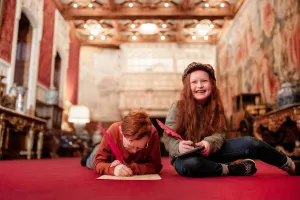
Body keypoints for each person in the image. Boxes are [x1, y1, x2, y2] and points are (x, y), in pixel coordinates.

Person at [163, 62, 300, 177]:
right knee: (191, 165)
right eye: (194, 82)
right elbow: (168, 138)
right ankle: (232, 169)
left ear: (212, 84)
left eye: (204, 81)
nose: (199, 86)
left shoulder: (216, 107)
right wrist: (179, 147)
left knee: (251, 142)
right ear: (188, 86)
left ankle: (291, 165)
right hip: (186, 157)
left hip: (213, 151)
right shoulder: (178, 107)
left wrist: (208, 143)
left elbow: (220, 134)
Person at [81, 109, 162, 177]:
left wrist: (129, 168)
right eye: (130, 145)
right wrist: (113, 169)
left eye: (140, 148)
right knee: (89, 162)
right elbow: (98, 163)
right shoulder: (114, 129)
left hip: (125, 163)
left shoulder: (152, 133)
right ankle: (92, 150)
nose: (134, 151)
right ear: (121, 131)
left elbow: (156, 166)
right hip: (107, 156)